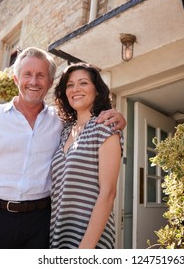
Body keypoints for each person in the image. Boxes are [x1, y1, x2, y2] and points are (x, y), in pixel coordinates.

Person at [0, 47, 126, 249]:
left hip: (40, 225)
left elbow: (93, 127)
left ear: (49, 83)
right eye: (27, 74)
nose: (33, 81)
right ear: (16, 79)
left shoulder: (60, 123)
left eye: (40, 75)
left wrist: (118, 118)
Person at [50, 62, 123, 249]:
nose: (75, 89)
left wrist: (85, 250)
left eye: (83, 83)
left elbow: (108, 193)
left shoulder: (104, 127)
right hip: (58, 237)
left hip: (90, 241)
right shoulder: (65, 132)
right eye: (70, 85)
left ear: (97, 90)